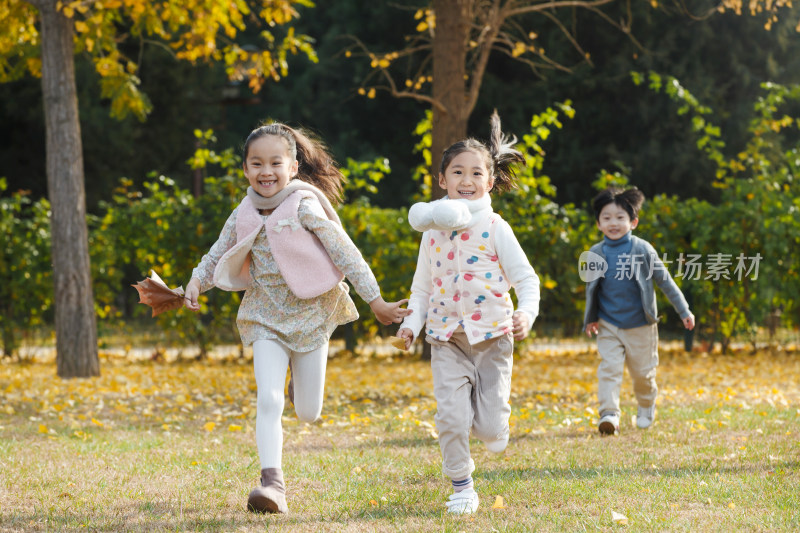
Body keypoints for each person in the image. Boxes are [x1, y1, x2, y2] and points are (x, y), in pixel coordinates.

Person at [183, 122, 411, 514]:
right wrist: (194, 282)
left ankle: (297, 387)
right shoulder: (244, 210)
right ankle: (272, 484)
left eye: (275, 162)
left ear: (292, 166)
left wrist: (376, 301)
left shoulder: (304, 204)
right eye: (256, 163)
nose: (265, 171)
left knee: (309, 411)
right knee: (267, 399)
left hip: (311, 312)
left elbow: (346, 253)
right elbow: (220, 250)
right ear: (245, 169)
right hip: (264, 314)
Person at [397, 112, 540, 515]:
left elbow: (527, 280)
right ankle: (462, 486)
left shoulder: (496, 227)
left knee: (493, 434)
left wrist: (526, 313)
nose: (466, 180)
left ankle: (490, 417)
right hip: (446, 340)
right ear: (442, 180)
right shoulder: (431, 233)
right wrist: (411, 324)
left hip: (493, 338)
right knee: (451, 419)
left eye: (476, 173)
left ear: (490, 182)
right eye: (457, 172)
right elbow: (422, 288)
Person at [583, 187, 695, 435]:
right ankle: (609, 413)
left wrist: (683, 310)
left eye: (620, 217)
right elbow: (592, 290)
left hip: (641, 326)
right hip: (609, 324)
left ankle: (646, 405)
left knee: (643, 375)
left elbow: (665, 281)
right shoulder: (595, 253)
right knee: (609, 368)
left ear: (633, 222)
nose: (614, 223)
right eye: (607, 217)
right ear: (599, 224)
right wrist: (591, 318)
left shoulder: (643, 250)